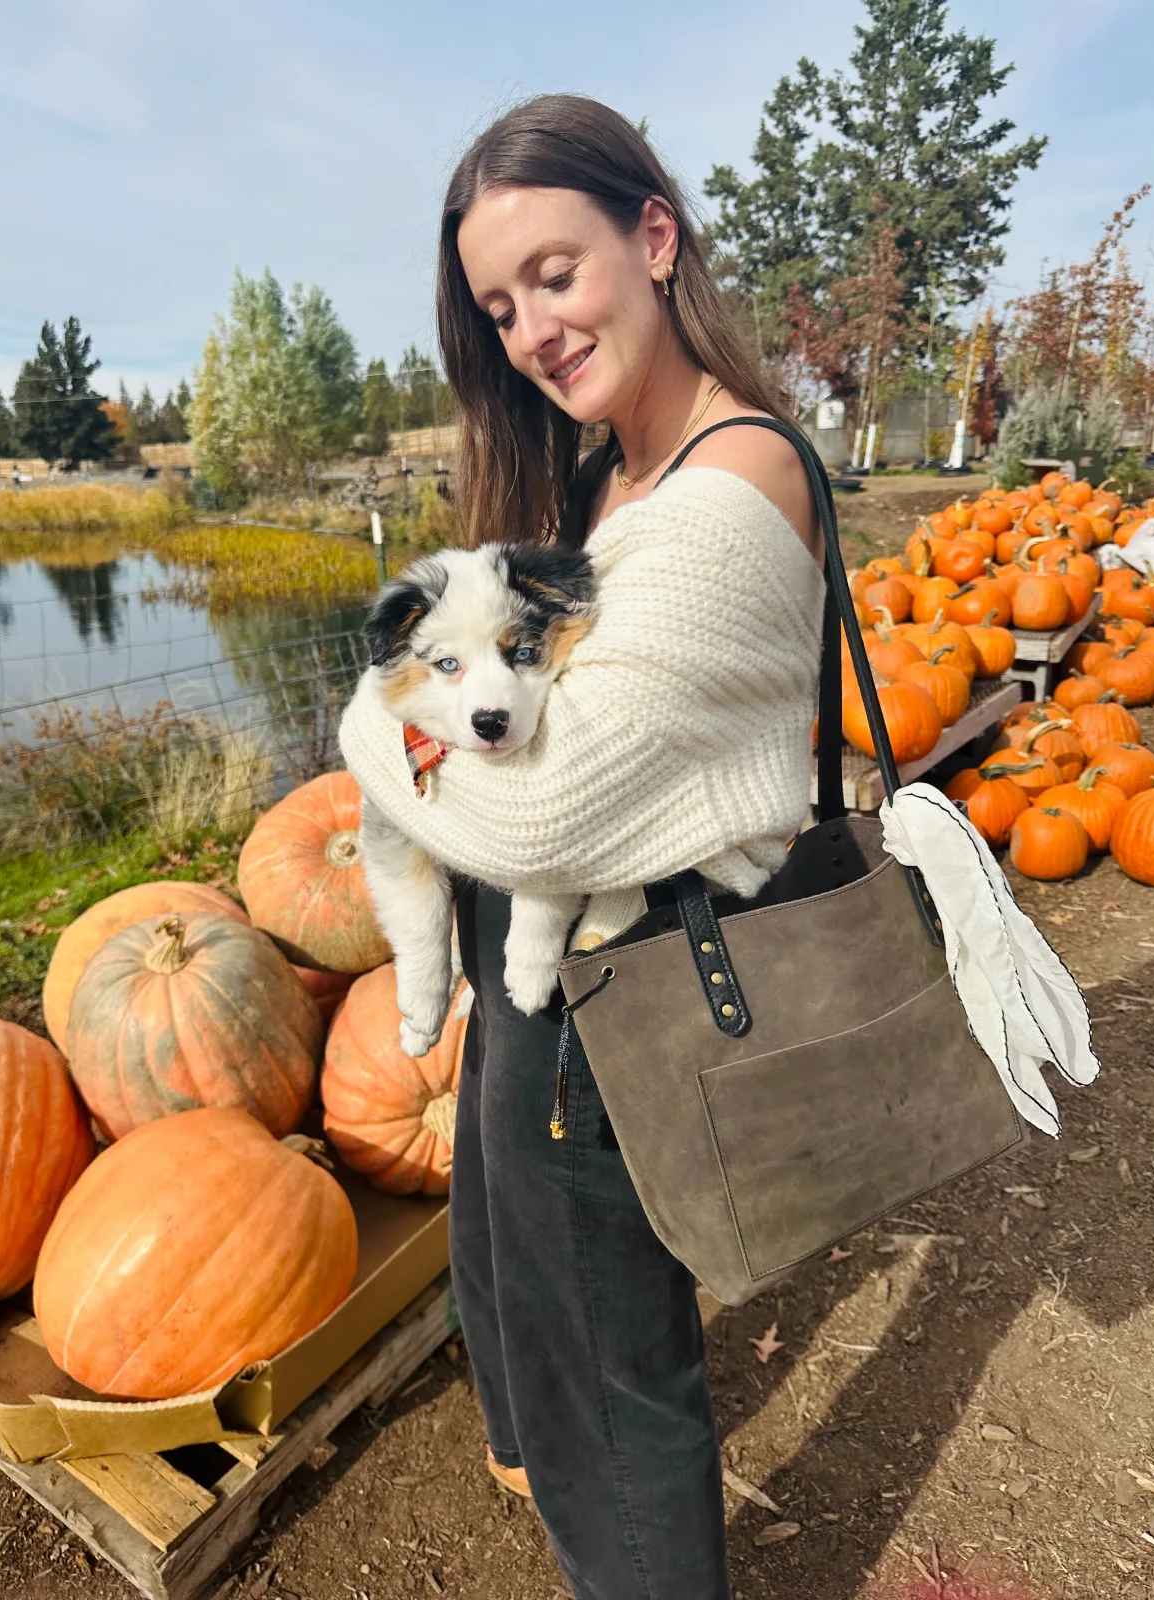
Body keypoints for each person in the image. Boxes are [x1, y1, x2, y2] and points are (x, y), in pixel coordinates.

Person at [340, 93, 824, 1600]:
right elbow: (501, 745)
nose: (532, 329)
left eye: (556, 272)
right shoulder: (596, 486)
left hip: (630, 996)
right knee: (526, 1288)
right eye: (499, 305)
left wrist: (370, 730)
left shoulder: (734, 486)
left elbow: (544, 803)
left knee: (622, 1386)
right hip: (535, 975)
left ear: (655, 237)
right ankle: (531, 1455)